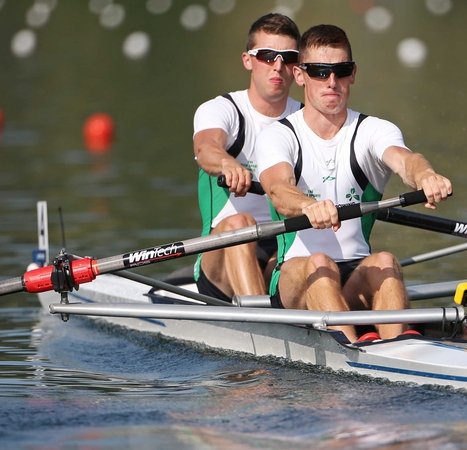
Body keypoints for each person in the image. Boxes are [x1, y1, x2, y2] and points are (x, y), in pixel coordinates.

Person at [255, 24, 452, 342]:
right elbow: (278, 189)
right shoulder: (278, 135)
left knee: (386, 261)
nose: (332, 82)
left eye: (341, 70)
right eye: (320, 71)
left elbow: (405, 160)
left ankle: (396, 354)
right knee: (319, 263)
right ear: (300, 75)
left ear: (353, 73)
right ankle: (351, 365)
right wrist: (308, 206)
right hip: (295, 276)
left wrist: (426, 176)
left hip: (354, 274)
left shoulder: (374, 130)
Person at [192, 14, 302, 301]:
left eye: (287, 57)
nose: (278, 66)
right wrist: (228, 164)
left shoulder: (306, 120)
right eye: (267, 55)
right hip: (222, 252)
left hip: (279, 245)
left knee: (312, 249)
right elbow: (206, 148)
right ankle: (265, 323)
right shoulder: (222, 109)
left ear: (297, 67)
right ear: (247, 60)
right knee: (241, 222)